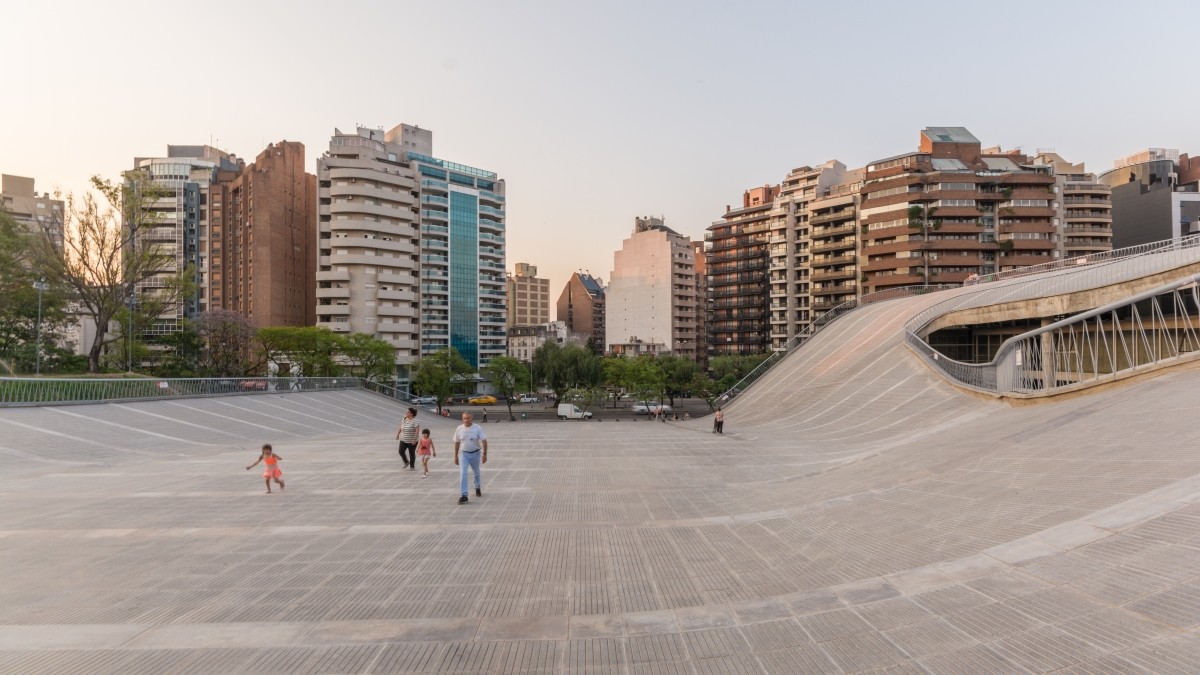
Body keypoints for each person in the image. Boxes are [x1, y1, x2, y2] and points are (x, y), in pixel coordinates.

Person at [453, 412, 488, 504]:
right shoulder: (459, 429)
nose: (466, 420)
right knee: (463, 473)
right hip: (464, 454)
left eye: (468, 418)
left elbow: (484, 441)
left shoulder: (477, 428)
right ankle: (464, 495)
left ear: (471, 418)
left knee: (476, 472)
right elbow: (457, 442)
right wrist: (455, 456)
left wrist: (484, 454)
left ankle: (477, 487)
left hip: (476, 453)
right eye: (464, 418)